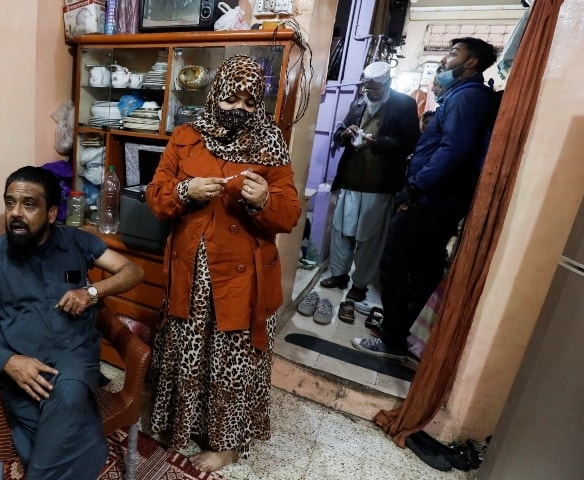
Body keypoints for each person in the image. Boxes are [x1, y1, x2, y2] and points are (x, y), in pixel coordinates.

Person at [145, 55, 301, 472]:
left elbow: (289, 214)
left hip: (242, 281)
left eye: (250, 102)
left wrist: (264, 199)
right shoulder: (185, 137)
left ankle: (228, 444)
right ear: (216, 94)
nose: (239, 109)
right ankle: (183, 426)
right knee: (190, 353)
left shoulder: (269, 144)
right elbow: (156, 195)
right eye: (232, 98)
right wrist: (185, 189)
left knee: (232, 359)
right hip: (190, 275)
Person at [0, 166, 144, 480]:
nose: (16, 213)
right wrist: (8, 361)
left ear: (51, 213)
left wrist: (91, 291)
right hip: (23, 367)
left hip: (73, 359)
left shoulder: (77, 242)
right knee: (69, 426)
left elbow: (132, 271)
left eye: (29, 204)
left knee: (69, 395)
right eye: (10, 203)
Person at [352, 37, 498, 361]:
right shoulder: (462, 96)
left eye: (453, 53)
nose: (446, 60)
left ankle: (393, 339)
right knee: (420, 267)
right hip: (438, 199)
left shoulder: (467, 98)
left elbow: (453, 149)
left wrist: (416, 186)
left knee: (395, 263)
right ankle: (402, 332)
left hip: (430, 200)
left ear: (471, 62)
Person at [320, 61, 420, 303]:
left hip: (380, 186)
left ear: (387, 84)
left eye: (375, 89)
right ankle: (339, 275)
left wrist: (379, 141)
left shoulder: (404, 104)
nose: (370, 93)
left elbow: (410, 143)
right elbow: (339, 133)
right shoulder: (359, 102)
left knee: (370, 239)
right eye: (367, 88)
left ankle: (360, 284)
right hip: (350, 181)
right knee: (342, 233)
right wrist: (345, 133)